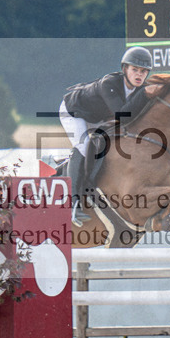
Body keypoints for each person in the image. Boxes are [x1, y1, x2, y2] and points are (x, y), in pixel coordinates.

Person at [59, 47, 153, 225]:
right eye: (135, 70)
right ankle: (72, 204)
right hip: (74, 111)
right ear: (125, 69)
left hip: (99, 117)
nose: (139, 75)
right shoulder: (109, 83)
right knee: (84, 146)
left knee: (108, 148)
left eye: (144, 71)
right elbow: (123, 116)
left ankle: (90, 184)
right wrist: (146, 95)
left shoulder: (142, 89)